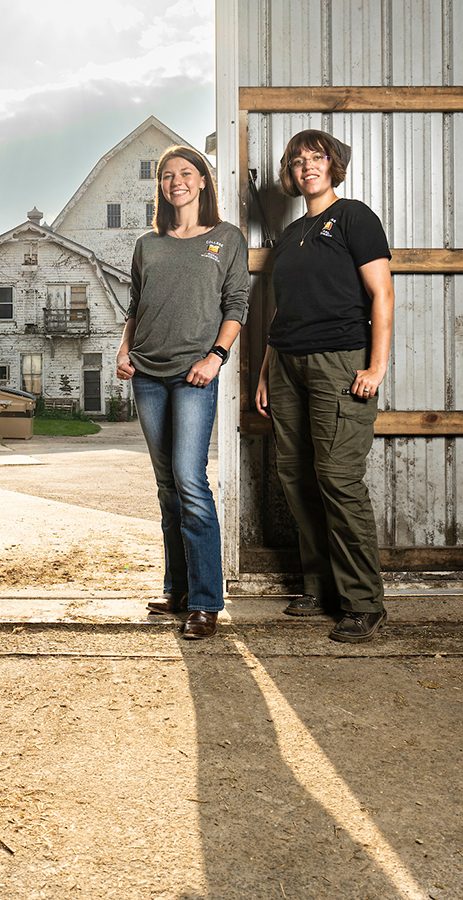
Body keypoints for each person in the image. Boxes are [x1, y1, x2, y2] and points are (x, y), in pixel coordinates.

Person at [255, 130, 394, 643]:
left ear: (334, 165)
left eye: (316, 158)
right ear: (290, 174)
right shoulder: (290, 236)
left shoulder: (355, 216)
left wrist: (376, 366)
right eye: (298, 160)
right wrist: (268, 369)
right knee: (296, 476)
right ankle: (320, 587)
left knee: (338, 478)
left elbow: (381, 293)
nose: (307, 166)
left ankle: (362, 602)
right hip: (287, 364)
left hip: (340, 362)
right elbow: (280, 310)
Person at [117, 146, 249, 640]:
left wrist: (216, 356)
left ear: (202, 182)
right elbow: (136, 303)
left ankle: (205, 601)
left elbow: (237, 304)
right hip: (147, 373)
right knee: (166, 487)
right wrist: (123, 349)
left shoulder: (226, 239)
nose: (177, 181)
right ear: (162, 187)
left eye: (186, 173)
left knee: (190, 481)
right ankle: (177, 590)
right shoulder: (147, 244)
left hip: (195, 373)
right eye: (168, 175)